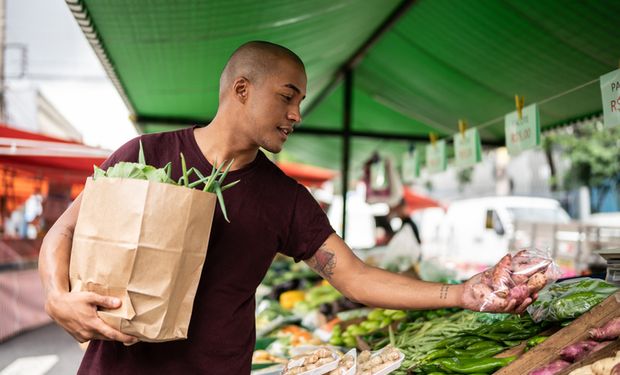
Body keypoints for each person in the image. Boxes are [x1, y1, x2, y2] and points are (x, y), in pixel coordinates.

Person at [39, 41, 534, 374]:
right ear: (241, 90)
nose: (297, 114)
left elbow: (354, 277)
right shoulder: (145, 155)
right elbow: (61, 234)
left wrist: (460, 293)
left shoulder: (286, 199)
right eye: (287, 97)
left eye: (301, 100)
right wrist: (57, 297)